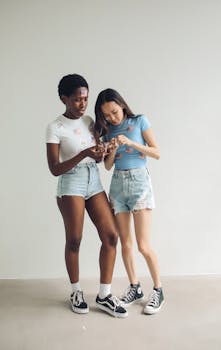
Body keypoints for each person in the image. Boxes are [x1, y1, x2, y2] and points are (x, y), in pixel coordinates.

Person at [46, 75, 127, 318]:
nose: (83, 104)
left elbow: (98, 159)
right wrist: (83, 153)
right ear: (64, 99)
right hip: (70, 184)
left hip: (93, 182)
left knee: (111, 237)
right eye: (77, 100)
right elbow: (54, 168)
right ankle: (75, 291)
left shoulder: (90, 121)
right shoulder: (55, 127)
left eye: (85, 99)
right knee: (75, 239)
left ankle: (104, 295)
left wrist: (102, 152)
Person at [94, 88, 164, 315]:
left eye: (114, 112)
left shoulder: (140, 121)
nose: (112, 118)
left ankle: (158, 290)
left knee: (144, 245)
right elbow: (107, 166)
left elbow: (157, 153)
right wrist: (112, 149)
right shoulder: (108, 131)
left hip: (140, 183)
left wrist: (132, 144)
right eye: (107, 115)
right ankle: (135, 287)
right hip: (118, 186)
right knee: (125, 244)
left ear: (122, 105)